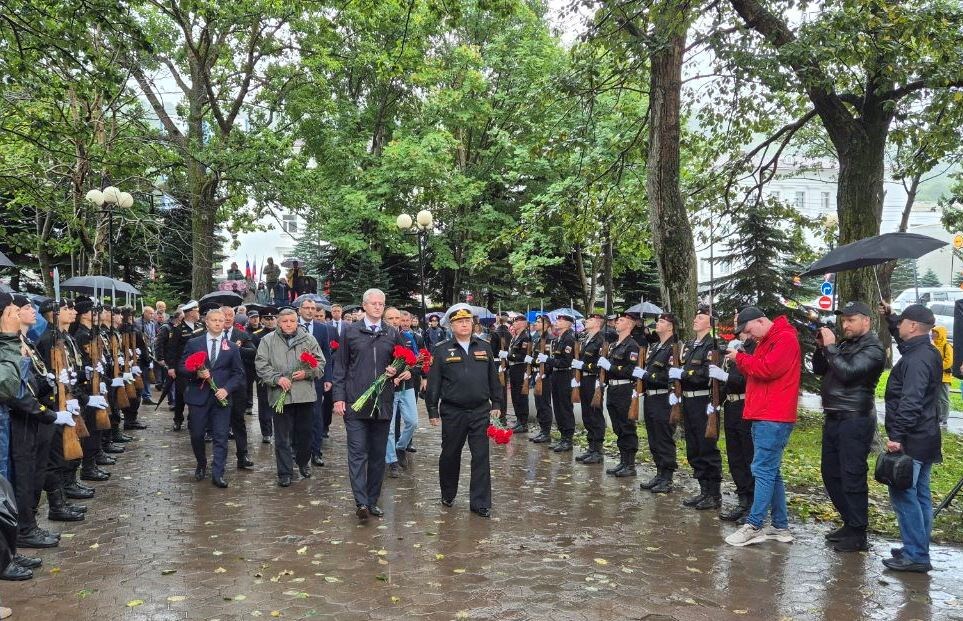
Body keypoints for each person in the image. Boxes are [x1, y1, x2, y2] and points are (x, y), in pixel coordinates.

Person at [811, 301, 885, 552]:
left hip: (855, 419)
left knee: (852, 475)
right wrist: (821, 348)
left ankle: (858, 532)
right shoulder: (845, 345)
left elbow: (848, 373)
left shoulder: (873, 348)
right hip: (834, 417)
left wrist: (832, 347)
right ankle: (850, 522)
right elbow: (820, 369)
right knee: (830, 473)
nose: (846, 325)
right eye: (843, 320)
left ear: (867, 321)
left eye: (851, 320)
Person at [725, 306, 800, 547]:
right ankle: (780, 526)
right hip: (765, 413)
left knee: (763, 470)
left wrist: (740, 358)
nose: (748, 336)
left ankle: (755, 525)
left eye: (748, 330)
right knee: (771, 471)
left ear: (760, 321)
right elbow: (758, 368)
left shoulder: (784, 338)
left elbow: (767, 369)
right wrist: (744, 358)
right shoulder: (768, 340)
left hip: (774, 415)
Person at [332, 288, 409, 521]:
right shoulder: (350, 332)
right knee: (357, 453)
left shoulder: (391, 332)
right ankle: (361, 502)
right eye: (373, 303)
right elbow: (340, 366)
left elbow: (404, 361)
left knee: (377, 454)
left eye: (381, 304)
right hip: (356, 403)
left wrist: (398, 370)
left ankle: (372, 500)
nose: (377, 307)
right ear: (364, 306)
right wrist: (338, 397)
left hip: (382, 402)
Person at [879, 303, 942, 573]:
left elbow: (911, 400)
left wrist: (896, 436)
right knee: (921, 495)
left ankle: (916, 554)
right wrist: (892, 318)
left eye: (903, 322)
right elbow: (906, 344)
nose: (900, 326)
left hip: (912, 438)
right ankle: (917, 548)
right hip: (926, 435)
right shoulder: (925, 351)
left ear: (913, 326)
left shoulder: (917, 360)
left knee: (904, 494)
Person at [425, 303, 502, 518]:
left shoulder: (484, 347)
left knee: (481, 456)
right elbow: (434, 382)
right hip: (453, 411)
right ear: (452, 325)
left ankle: (480, 503)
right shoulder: (441, 349)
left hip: (480, 410)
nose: (465, 325)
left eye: (468, 321)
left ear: (473, 324)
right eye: (459, 322)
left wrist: (497, 403)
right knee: (450, 454)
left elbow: (493, 378)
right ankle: (448, 494)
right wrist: (432, 410)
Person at [255, 307, 325, 487]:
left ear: (297, 322)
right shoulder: (267, 340)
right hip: (280, 395)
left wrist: (307, 373)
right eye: (284, 321)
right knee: (282, 437)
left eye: (292, 321)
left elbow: (320, 364)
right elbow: (261, 365)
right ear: (278, 322)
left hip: (304, 395)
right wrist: (277, 379)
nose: (288, 324)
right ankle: (285, 472)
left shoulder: (308, 339)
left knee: (305, 434)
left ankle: (303, 461)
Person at [672, 307, 724, 510]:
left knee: (706, 447)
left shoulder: (712, 345)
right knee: (693, 448)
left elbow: (705, 374)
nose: (695, 319)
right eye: (695, 316)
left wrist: (684, 375)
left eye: (700, 317)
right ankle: (704, 491)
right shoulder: (690, 345)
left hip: (704, 402)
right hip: (688, 401)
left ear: (710, 324)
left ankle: (714, 494)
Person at [710, 335, 755, 521]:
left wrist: (726, 376)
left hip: (746, 405)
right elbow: (725, 384)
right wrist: (716, 401)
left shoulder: (753, 349)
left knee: (748, 456)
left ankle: (753, 504)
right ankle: (742, 500)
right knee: (735, 457)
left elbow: (749, 380)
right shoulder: (735, 347)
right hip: (731, 406)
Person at [637, 313, 679, 493]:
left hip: (663, 398)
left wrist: (647, 376)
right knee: (653, 438)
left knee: (663, 438)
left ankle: (667, 477)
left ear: (670, 327)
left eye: (662, 321)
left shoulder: (674, 347)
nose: (658, 324)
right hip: (651, 397)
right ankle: (659, 473)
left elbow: (669, 376)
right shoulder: (655, 347)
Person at [597, 311, 641, 476]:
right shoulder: (614, 344)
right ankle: (623, 461)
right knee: (618, 427)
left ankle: (630, 464)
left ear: (629, 324)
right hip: (613, 389)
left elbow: (631, 370)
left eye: (620, 320)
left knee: (626, 426)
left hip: (624, 389)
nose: (616, 323)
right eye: (617, 320)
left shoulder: (632, 346)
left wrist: (611, 367)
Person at [384, 309, 421, 477]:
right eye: (390, 318)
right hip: (388, 386)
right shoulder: (380, 337)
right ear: (384, 319)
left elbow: (416, 360)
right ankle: (391, 460)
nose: (394, 321)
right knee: (390, 427)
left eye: (397, 318)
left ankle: (400, 447)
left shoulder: (408, 337)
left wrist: (410, 371)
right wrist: (389, 377)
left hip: (407, 386)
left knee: (412, 421)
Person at [296, 299, 333, 467]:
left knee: (316, 415)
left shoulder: (321, 328)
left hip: (316, 377)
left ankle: (316, 451)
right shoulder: (292, 324)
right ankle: (296, 450)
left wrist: (328, 377)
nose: (310, 311)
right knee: (297, 415)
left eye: (313, 308)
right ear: (300, 310)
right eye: (307, 308)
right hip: (296, 378)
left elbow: (326, 354)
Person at [220, 306, 256, 470]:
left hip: (237, 386)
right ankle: (219, 459)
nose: (228, 318)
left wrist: (238, 348)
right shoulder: (211, 335)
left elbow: (253, 352)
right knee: (219, 423)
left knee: (238, 421)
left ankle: (243, 456)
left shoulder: (241, 334)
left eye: (230, 315)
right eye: (225, 315)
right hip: (218, 385)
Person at [540, 312, 577, 453]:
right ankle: (563, 437)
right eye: (557, 320)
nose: (557, 322)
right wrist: (546, 372)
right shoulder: (558, 339)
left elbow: (565, 362)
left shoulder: (569, 339)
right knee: (558, 408)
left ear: (568, 324)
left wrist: (548, 360)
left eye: (561, 320)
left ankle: (568, 439)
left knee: (565, 407)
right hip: (556, 374)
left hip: (565, 375)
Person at [572, 313, 606, 465]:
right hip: (584, 379)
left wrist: (584, 366)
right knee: (586, 414)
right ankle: (591, 447)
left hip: (594, 380)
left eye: (591, 320)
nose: (587, 321)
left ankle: (597, 450)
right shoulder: (586, 338)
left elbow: (600, 364)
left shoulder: (601, 340)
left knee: (594, 414)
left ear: (598, 323)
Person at [165, 300, 204, 431]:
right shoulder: (178, 329)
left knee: (196, 392)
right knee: (181, 394)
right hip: (182, 367)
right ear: (191, 313)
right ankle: (178, 419)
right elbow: (172, 349)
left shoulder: (200, 326)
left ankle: (193, 420)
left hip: (197, 366)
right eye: (197, 311)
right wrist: (171, 367)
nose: (198, 313)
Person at [251, 306, 278, 442]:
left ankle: (280, 429)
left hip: (279, 373)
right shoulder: (256, 335)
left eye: (272, 318)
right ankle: (266, 432)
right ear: (262, 320)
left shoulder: (281, 334)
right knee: (264, 403)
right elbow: (255, 355)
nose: (270, 321)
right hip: (263, 374)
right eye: (267, 319)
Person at [527, 314, 555, 444]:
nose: (536, 323)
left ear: (546, 325)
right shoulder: (537, 339)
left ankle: (546, 432)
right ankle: (542, 429)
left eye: (539, 322)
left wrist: (544, 372)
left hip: (545, 375)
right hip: (536, 374)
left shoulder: (550, 339)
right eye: (536, 321)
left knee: (544, 404)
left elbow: (549, 359)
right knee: (539, 403)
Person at [504, 316, 532, 432]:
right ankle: (519, 420)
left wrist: (508, 355)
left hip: (520, 367)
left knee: (521, 396)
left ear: (522, 324)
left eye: (516, 322)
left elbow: (523, 356)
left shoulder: (525, 337)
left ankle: (523, 422)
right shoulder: (515, 337)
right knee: (515, 395)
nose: (513, 324)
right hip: (514, 368)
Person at [931, 325, 952, 427]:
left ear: (941, 334)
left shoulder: (946, 346)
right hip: (935, 376)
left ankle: (944, 420)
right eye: (933, 332)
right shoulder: (933, 345)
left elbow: (949, 361)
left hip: (944, 377)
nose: (933, 334)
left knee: (944, 399)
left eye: (935, 332)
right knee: (937, 398)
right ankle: (938, 417)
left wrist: (937, 366)